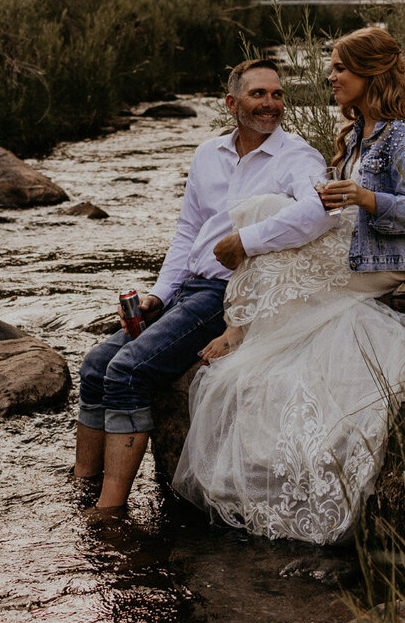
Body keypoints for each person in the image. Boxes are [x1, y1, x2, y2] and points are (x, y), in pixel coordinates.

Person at [171, 26, 405, 544]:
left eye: (340, 67)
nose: (330, 76)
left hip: (389, 258)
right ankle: (239, 326)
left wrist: (364, 199)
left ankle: (238, 329)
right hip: (360, 243)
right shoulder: (358, 134)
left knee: (265, 219)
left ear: (370, 74)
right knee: (270, 214)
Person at [74, 58, 337, 516]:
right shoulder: (207, 154)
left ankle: (108, 512)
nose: (271, 104)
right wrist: (158, 294)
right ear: (232, 103)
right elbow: (186, 232)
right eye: (259, 94)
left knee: (128, 370)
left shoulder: (297, 156)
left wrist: (248, 241)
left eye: (277, 94)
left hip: (228, 295)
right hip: (187, 289)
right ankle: (81, 487)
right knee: (96, 363)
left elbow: (320, 211)